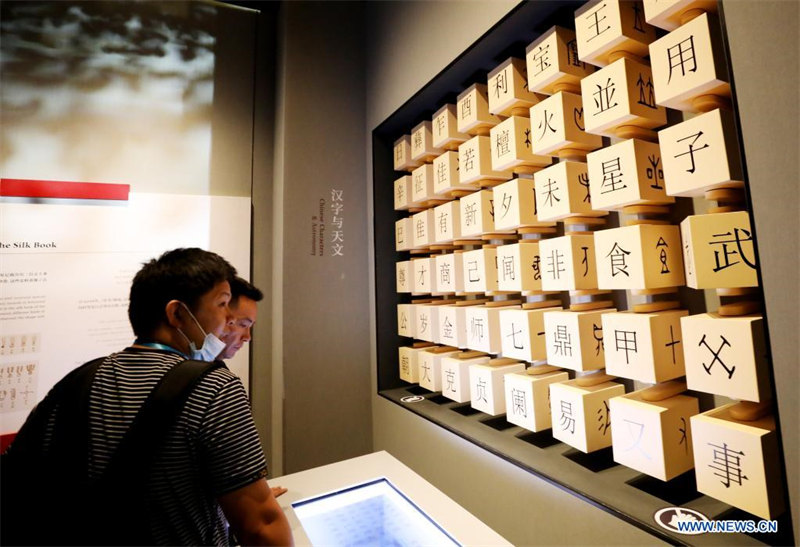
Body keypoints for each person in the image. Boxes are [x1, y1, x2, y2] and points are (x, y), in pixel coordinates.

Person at [5, 248, 293, 546]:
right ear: (177, 313)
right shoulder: (215, 387)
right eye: (222, 305)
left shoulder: (79, 378)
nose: (227, 321)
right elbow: (261, 526)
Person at [219, 276, 288, 499]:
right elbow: (259, 519)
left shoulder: (106, 367)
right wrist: (254, 498)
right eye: (241, 324)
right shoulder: (220, 387)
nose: (247, 337)